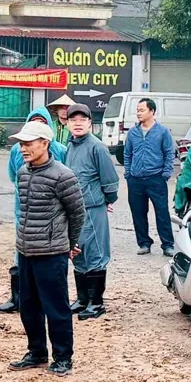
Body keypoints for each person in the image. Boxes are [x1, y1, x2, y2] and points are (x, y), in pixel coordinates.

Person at [6, 117, 85, 375]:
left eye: (28, 143)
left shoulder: (63, 176)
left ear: (45, 143)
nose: (22, 148)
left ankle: (63, 358)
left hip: (52, 253)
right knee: (28, 307)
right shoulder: (23, 173)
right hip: (26, 251)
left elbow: (77, 214)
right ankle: (37, 352)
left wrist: (70, 243)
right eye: (20, 144)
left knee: (57, 308)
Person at [0, 106, 67, 313]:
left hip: (52, 214)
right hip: (24, 209)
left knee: (50, 259)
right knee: (22, 253)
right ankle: (18, 298)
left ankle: (48, 301)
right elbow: (13, 175)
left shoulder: (60, 150)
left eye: (41, 124)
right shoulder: (17, 150)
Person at [62, 104, 118, 319]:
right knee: (77, 251)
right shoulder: (71, 146)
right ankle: (82, 298)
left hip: (92, 208)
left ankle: (96, 303)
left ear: (89, 123)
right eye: (73, 120)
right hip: (73, 209)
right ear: (67, 124)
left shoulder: (97, 147)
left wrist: (106, 200)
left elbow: (110, 180)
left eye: (82, 120)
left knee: (95, 253)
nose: (77, 123)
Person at [122, 96, 177, 257]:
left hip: (156, 178)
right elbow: (127, 154)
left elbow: (169, 153)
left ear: (152, 111)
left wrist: (165, 174)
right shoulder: (133, 133)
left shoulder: (162, 132)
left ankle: (167, 244)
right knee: (138, 213)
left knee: (162, 212)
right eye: (137, 111)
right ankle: (144, 243)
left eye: (142, 110)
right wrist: (128, 173)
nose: (138, 113)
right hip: (136, 180)